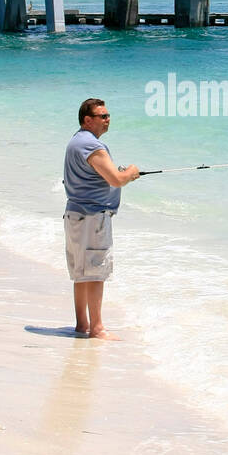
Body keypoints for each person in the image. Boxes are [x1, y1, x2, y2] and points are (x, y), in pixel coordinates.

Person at [63, 98, 140, 339]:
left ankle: (82, 324)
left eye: (108, 115)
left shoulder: (76, 141)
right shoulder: (92, 146)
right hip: (93, 217)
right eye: (103, 116)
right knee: (95, 273)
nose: (108, 120)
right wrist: (131, 173)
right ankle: (97, 329)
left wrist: (119, 175)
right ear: (88, 120)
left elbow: (99, 175)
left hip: (75, 215)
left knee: (81, 273)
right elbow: (116, 180)